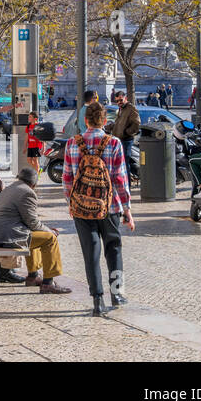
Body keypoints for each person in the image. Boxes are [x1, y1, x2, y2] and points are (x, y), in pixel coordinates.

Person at [63, 100, 134, 317]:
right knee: (113, 248)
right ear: (105, 121)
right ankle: (117, 293)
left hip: (82, 208)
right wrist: (127, 210)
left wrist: (71, 203)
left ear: (85, 121)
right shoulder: (113, 143)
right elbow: (120, 179)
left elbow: (67, 179)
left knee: (90, 252)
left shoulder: (72, 143)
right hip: (109, 206)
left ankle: (97, 299)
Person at [0, 166, 71, 294]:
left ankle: (33, 276)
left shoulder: (11, 188)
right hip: (6, 237)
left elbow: (30, 224)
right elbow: (33, 223)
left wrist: (44, 229)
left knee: (35, 235)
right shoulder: (27, 192)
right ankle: (48, 283)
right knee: (50, 239)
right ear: (33, 184)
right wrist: (50, 231)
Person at [108, 89, 141, 176]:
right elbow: (120, 123)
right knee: (120, 165)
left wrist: (126, 132)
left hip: (126, 140)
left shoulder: (130, 108)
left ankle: (127, 187)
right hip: (119, 140)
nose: (119, 102)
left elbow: (137, 124)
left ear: (125, 98)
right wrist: (111, 127)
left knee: (125, 165)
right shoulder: (120, 109)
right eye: (117, 101)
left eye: (121, 100)